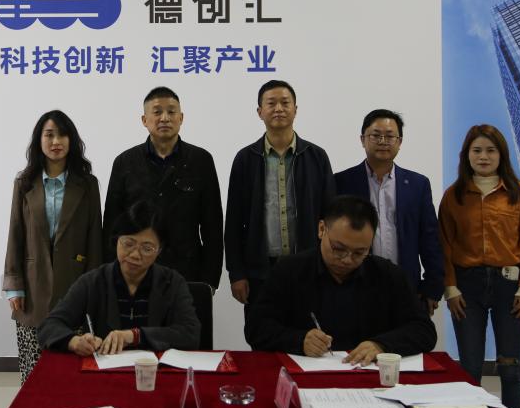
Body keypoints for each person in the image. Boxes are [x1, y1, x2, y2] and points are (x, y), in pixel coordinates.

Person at [245, 195, 436, 363]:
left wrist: (382, 345)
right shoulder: (289, 270)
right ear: (322, 229)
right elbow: (256, 328)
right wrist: (299, 340)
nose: (347, 260)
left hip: (368, 378)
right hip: (307, 377)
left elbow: (424, 330)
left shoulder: (387, 275)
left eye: (359, 253)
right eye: (338, 249)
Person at [438, 124, 520, 408]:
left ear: (501, 155)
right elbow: (444, 245)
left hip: (510, 288)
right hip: (466, 289)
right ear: (466, 155)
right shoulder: (454, 196)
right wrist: (450, 289)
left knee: (510, 366)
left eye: (491, 150)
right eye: (477, 150)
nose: (483, 156)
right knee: (470, 367)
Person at [2, 110, 102, 383]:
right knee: (34, 373)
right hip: (33, 288)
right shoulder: (24, 183)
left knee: (72, 374)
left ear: (72, 140)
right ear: (39, 141)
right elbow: (15, 234)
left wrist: (94, 287)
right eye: (49, 135)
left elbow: (95, 237)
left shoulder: (87, 184)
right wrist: (14, 285)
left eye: (62, 134)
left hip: (75, 285)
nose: (56, 141)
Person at [224, 79, 336, 310]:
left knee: (309, 328)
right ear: (259, 112)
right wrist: (236, 273)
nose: (278, 109)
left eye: (285, 103)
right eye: (271, 103)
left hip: (309, 268)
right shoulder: (245, 159)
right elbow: (234, 221)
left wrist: (328, 264)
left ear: (295, 109)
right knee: (261, 328)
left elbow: (330, 215)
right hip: (260, 271)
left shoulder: (316, 156)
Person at [38, 200, 201, 355]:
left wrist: (134, 336)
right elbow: (49, 326)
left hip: (155, 370)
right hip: (105, 368)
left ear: (159, 250)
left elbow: (191, 333)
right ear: (117, 240)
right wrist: (74, 342)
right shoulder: (92, 282)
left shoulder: (172, 283)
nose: (135, 255)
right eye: (128, 244)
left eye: (147, 248)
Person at [102, 87, 223, 290]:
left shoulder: (201, 160)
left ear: (181, 118)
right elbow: (111, 225)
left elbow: (213, 226)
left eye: (171, 112)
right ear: (144, 120)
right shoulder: (125, 162)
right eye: (157, 112)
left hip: (187, 272)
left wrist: (209, 280)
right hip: (135, 271)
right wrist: (111, 274)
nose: (165, 118)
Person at [335, 109, 444, 315]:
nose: (383, 141)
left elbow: (429, 238)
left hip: (406, 287)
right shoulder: (342, 182)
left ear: (399, 141)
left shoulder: (418, 184)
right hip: (354, 286)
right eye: (376, 135)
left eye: (390, 136)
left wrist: (433, 286)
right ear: (362, 139)